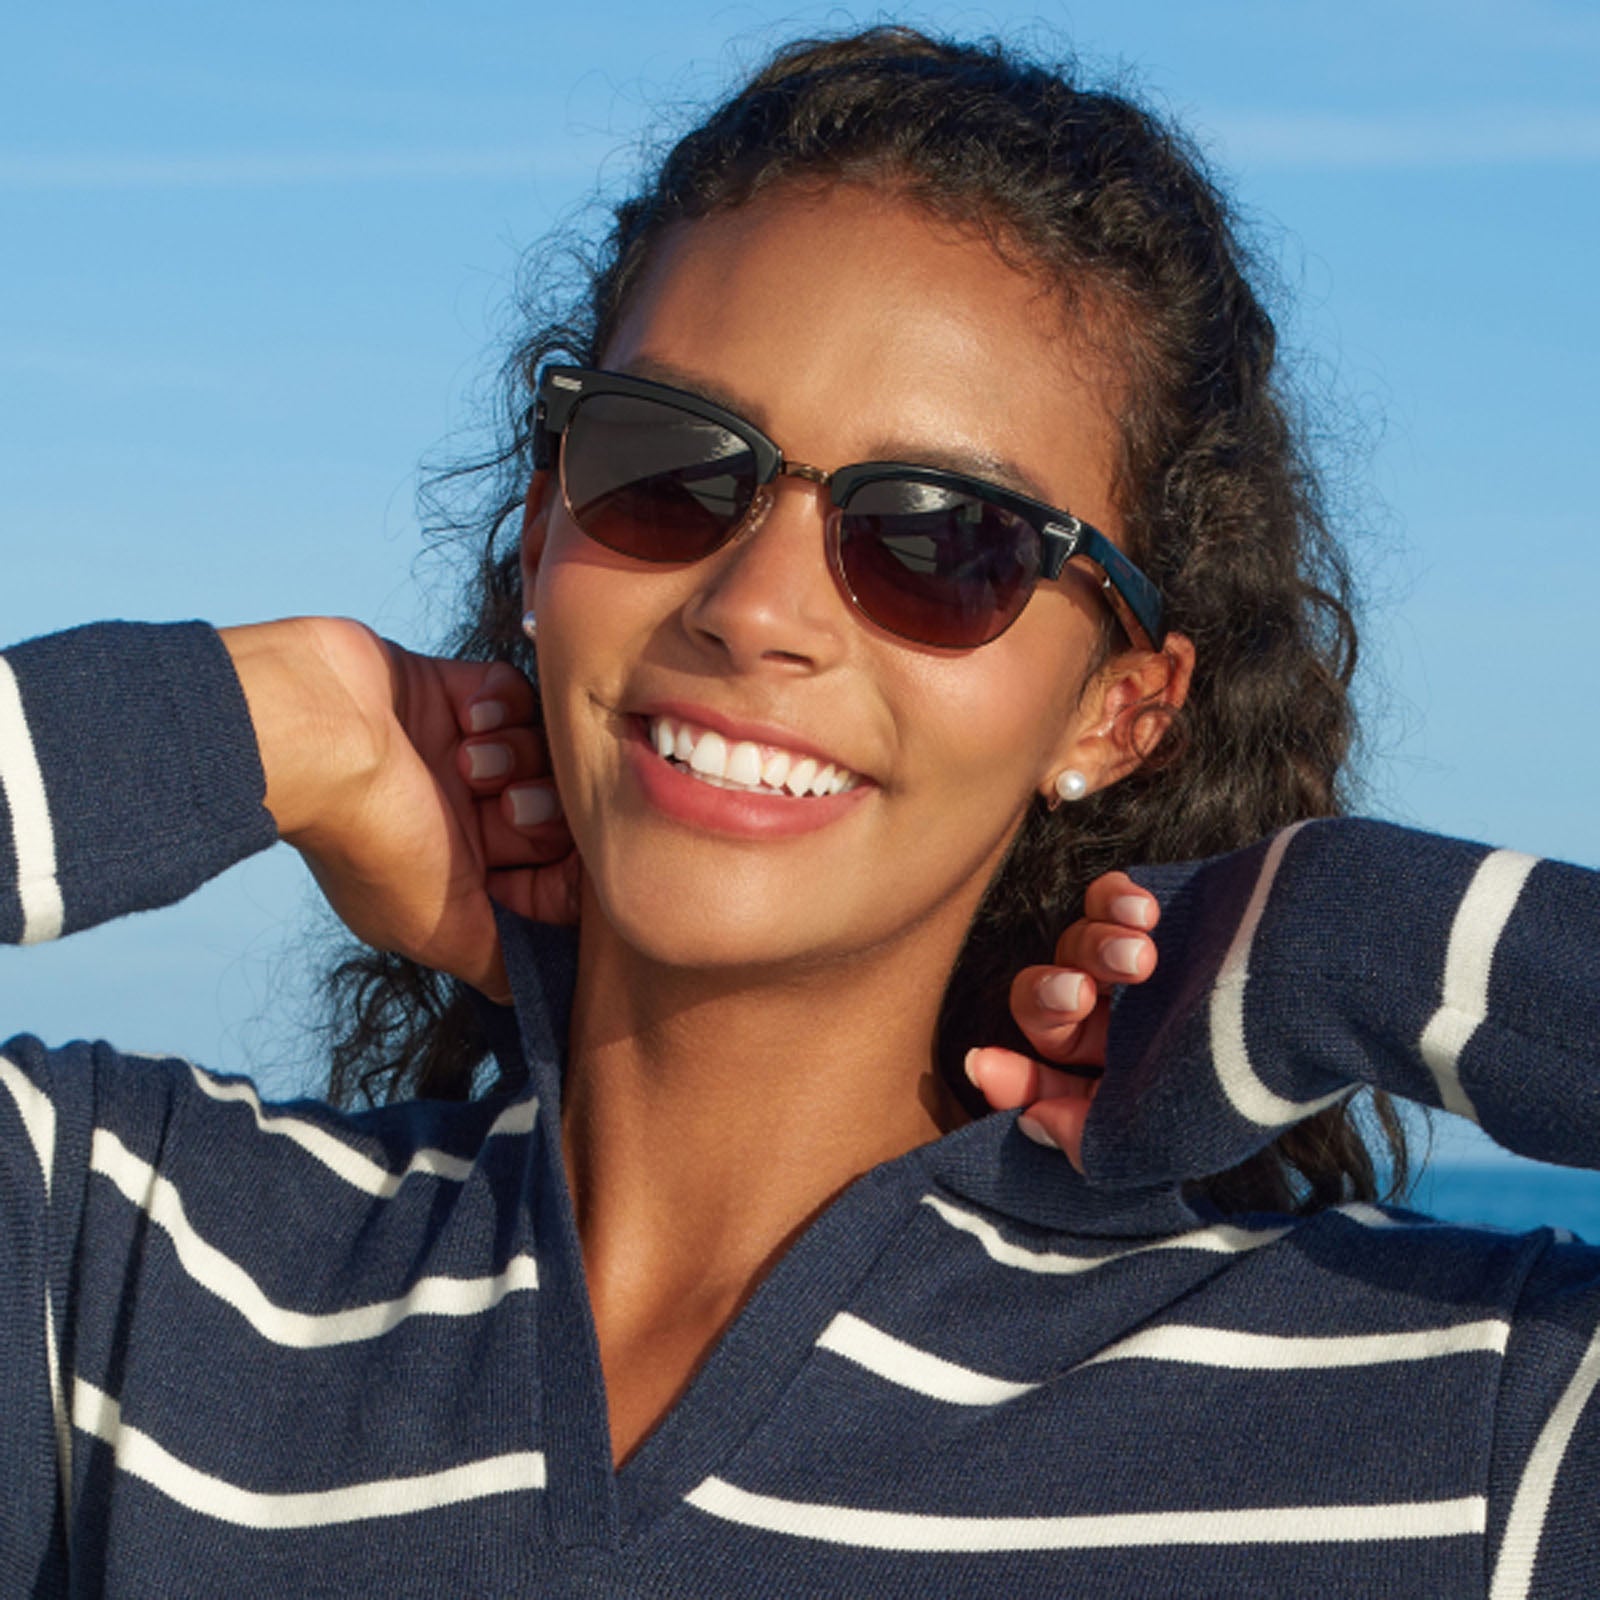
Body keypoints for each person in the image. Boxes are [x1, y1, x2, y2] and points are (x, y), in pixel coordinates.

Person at [1, 25, 1595, 1597]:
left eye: (950, 539)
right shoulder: (135, 1273)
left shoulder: (1444, 1427)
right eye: (670, 464)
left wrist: (1382, 947)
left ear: (1116, 712)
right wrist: (267, 722)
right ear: (546, 520)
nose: (756, 607)